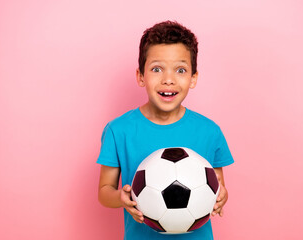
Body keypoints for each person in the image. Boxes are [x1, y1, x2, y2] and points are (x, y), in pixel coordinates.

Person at [97, 20, 234, 240]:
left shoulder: (210, 131)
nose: (168, 80)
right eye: (156, 69)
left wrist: (221, 197)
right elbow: (104, 191)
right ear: (141, 76)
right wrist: (121, 198)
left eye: (180, 70)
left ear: (193, 78)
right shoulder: (118, 130)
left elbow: (218, 187)